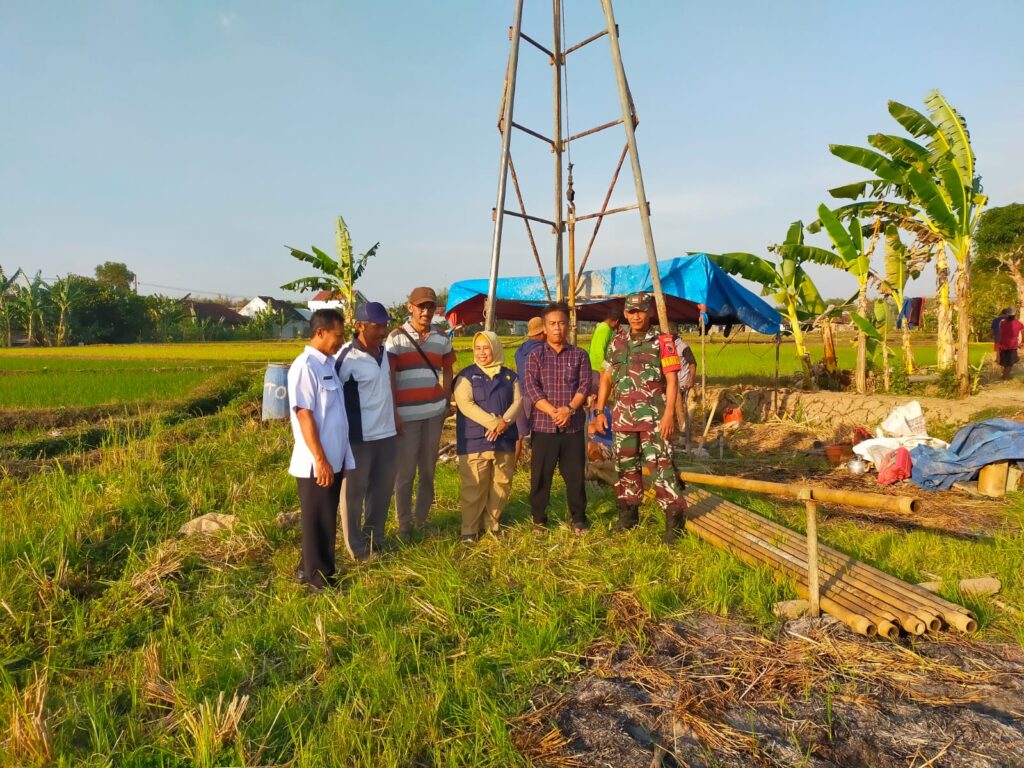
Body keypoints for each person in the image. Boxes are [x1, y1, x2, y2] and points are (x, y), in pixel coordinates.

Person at [591, 292, 687, 542]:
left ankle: (674, 521)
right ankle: (628, 515)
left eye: (641, 311)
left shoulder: (663, 341)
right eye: (631, 312)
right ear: (625, 314)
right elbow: (607, 378)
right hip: (623, 418)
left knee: (661, 467)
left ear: (650, 312)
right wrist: (600, 411)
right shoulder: (616, 341)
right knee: (625, 468)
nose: (636, 316)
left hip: (654, 418)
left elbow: (672, 379)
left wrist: (669, 415)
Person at [287, 309, 356, 592]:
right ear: (320, 332)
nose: (341, 341)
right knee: (320, 520)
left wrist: (342, 458)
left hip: (333, 458)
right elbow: (304, 415)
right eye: (337, 336)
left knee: (323, 516)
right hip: (317, 461)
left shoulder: (326, 364)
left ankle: (307, 568)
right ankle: (320, 579)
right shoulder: (305, 366)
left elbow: (335, 416)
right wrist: (321, 459)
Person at [385, 286, 456, 540]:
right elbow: (389, 377)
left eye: (430, 306)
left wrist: (446, 401)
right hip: (405, 416)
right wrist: (393, 411)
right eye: (421, 306)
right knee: (405, 472)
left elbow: (448, 370)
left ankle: (421, 518)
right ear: (410, 308)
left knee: (428, 469)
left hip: (434, 414)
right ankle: (404, 523)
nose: (425, 311)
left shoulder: (441, 338)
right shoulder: (396, 338)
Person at [523, 302, 593, 534]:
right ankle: (539, 519)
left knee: (574, 476)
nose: (557, 328)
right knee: (541, 476)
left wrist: (569, 410)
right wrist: (554, 411)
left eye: (561, 323)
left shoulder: (580, 355)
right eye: (552, 324)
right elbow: (532, 389)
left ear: (568, 326)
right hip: (544, 426)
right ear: (544, 327)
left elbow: (584, 385)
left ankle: (579, 518)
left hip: (572, 427)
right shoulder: (535, 356)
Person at [336, 301, 398, 561]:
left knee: (382, 490)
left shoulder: (384, 353)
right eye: (376, 326)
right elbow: (332, 398)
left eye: (385, 325)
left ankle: (376, 538)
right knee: (354, 495)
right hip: (359, 438)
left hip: (387, 434)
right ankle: (357, 550)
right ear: (359, 326)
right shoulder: (347, 357)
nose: (382, 331)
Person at [453, 332, 522, 541]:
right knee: (474, 485)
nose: (482, 353)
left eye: (486, 348)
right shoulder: (466, 376)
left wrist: (504, 422)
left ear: (495, 348)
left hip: (504, 437)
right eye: (478, 348)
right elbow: (465, 404)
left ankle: (492, 523)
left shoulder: (510, 376)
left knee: (501, 483)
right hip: (475, 439)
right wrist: (494, 423)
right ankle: (469, 529)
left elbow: (518, 402)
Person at [513, 316, 545, 466]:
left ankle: (511, 467)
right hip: (537, 395)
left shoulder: (520, 350)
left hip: (520, 395)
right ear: (543, 332)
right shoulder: (543, 349)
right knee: (541, 432)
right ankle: (538, 466)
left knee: (519, 435)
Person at [588, 304, 622, 392]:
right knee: (597, 394)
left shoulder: (603, 327)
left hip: (596, 365)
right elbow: (599, 352)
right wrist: (604, 370)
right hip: (597, 367)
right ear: (616, 321)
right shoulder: (605, 329)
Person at [997, 307, 1024, 380]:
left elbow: (1000, 333)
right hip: (1012, 346)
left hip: (1003, 345)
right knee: (1010, 363)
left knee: (1006, 362)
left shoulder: (1002, 322)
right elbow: (1023, 333)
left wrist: (998, 343)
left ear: (1007, 315)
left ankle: (1004, 375)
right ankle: (1004, 377)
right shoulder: (1019, 323)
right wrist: (1022, 342)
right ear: (1015, 315)